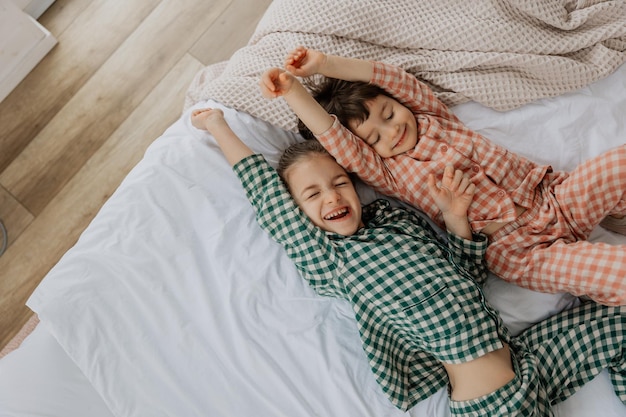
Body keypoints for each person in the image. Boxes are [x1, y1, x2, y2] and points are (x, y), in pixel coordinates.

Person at [190, 106, 626, 415]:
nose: (332, 196)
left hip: (528, 360)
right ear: (299, 213)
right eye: (313, 194)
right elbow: (266, 196)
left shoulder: (396, 221)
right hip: (492, 402)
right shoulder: (329, 258)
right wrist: (217, 125)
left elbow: (470, 275)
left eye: (339, 182)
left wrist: (456, 219)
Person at [258, 46, 626, 306]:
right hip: (521, 250)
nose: (392, 132)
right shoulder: (387, 172)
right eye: (374, 138)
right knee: (614, 271)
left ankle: (617, 213)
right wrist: (292, 91)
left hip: (554, 197)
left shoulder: (432, 115)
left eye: (388, 114)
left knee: (618, 164)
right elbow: (334, 136)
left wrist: (325, 63)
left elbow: (390, 77)